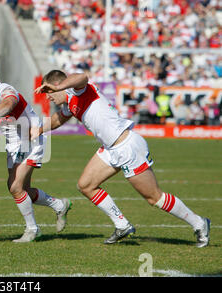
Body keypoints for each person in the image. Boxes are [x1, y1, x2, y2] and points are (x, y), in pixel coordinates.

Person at [32, 70, 210, 248]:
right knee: (86, 185)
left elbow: (82, 76)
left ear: (58, 86)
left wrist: (58, 86)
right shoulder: (70, 103)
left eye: (49, 93)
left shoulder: (79, 90)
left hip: (127, 147)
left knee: (154, 197)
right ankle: (122, 225)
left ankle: (199, 223)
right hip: (110, 149)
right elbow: (57, 120)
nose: (48, 98)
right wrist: (37, 130)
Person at [0, 66, 71, 243]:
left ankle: (32, 229)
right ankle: (60, 205)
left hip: (30, 138)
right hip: (13, 144)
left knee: (14, 186)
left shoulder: (6, 91)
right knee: (23, 190)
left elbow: (9, 104)